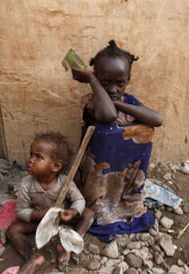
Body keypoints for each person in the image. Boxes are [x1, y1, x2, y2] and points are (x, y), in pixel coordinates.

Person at [71, 40, 163, 241]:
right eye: (105, 82)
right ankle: (102, 211)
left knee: (145, 129)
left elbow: (157, 120)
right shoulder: (90, 101)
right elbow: (107, 115)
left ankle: (124, 205)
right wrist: (90, 79)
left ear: (128, 80)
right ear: (96, 79)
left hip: (123, 181)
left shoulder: (129, 101)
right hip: (99, 183)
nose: (112, 88)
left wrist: (121, 105)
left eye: (119, 83)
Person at [7, 132, 94, 273]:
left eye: (38, 157)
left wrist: (72, 212)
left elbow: (79, 200)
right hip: (41, 222)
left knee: (88, 213)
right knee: (13, 229)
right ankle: (31, 257)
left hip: (63, 219)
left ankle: (68, 246)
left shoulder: (65, 182)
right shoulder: (26, 184)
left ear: (56, 166)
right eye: (31, 155)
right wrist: (40, 214)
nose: (30, 160)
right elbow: (21, 211)